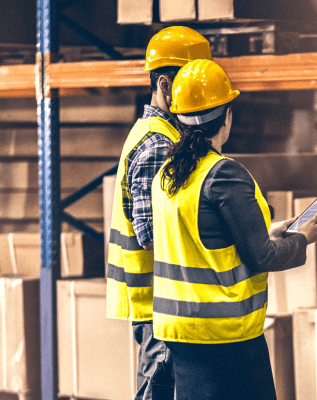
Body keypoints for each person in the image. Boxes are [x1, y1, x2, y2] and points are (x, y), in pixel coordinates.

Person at [150, 59, 317, 400]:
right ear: (227, 117)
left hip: (179, 331)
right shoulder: (223, 174)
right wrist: (303, 238)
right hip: (224, 336)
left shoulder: (168, 175)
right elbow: (261, 256)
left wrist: (274, 229)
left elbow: (201, 237)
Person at [105, 27, 212, 400]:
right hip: (157, 303)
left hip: (160, 301)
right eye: (187, 84)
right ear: (165, 85)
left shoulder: (159, 135)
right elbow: (152, 234)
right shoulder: (157, 144)